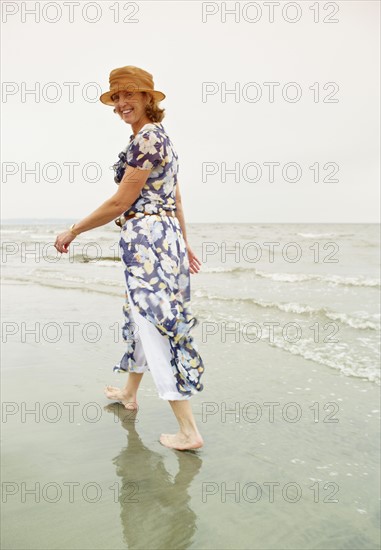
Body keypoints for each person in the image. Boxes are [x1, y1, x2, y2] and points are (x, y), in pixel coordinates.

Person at [54, 66, 205, 451]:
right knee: (139, 318)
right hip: (159, 236)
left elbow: (122, 201)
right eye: (116, 97)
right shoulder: (154, 138)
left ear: (148, 99)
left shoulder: (148, 139)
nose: (122, 103)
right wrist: (183, 243)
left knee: (154, 325)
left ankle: (188, 430)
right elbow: (177, 199)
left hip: (149, 240)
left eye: (129, 95)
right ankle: (129, 394)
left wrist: (73, 230)